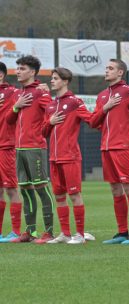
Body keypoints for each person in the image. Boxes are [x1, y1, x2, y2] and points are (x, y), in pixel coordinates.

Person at [90, 59, 129, 245]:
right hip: (105, 147)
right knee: (115, 189)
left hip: (122, 147)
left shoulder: (128, 92)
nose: (107, 71)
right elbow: (93, 122)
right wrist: (105, 108)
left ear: (120, 72)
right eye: (106, 68)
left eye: (111, 68)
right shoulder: (102, 95)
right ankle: (122, 232)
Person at [6, 55, 55, 244]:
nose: (18, 71)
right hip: (19, 148)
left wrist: (48, 93)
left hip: (35, 147)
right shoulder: (17, 95)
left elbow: (51, 111)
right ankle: (30, 232)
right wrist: (16, 108)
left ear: (33, 72)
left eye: (22, 68)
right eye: (17, 68)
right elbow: (9, 121)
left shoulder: (40, 93)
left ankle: (49, 232)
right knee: (25, 190)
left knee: (42, 188)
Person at [42, 67, 93, 244]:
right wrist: (50, 122)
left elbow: (91, 119)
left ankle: (79, 234)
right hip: (54, 157)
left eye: (55, 78)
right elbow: (43, 131)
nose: (52, 81)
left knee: (74, 195)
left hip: (70, 156)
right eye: (52, 78)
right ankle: (65, 233)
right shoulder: (50, 105)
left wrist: (106, 110)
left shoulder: (75, 102)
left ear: (65, 81)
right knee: (59, 196)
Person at [0, 61, 22, 243]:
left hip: (5, 146)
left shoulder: (13, 93)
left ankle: (15, 231)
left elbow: (32, 94)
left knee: (11, 188)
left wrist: (43, 87)